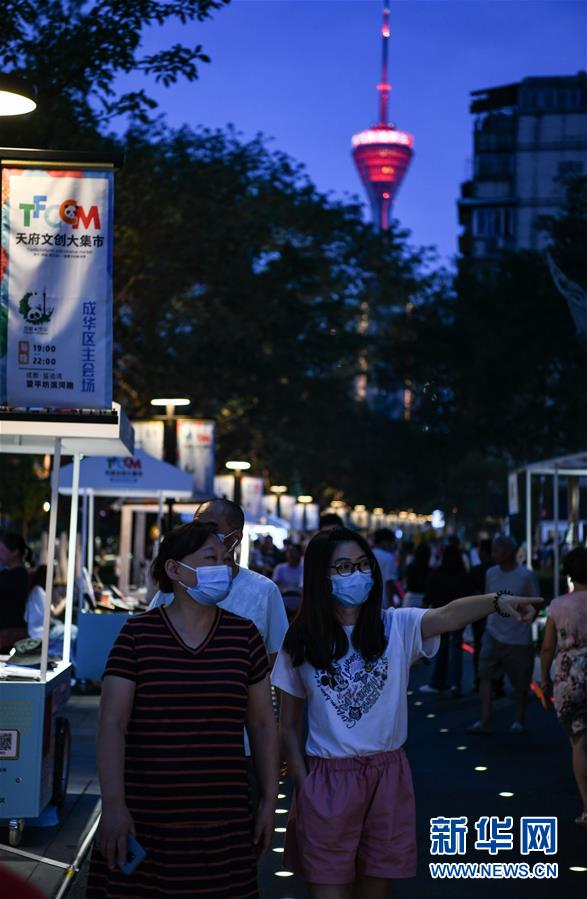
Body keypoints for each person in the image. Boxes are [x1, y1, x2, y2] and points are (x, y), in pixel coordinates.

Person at [273, 527, 542, 899]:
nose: (357, 574)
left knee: (377, 890)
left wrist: (499, 601)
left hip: (388, 776)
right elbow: (287, 725)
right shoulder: (302, 640)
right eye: (344, 567)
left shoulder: (394, 626)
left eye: (364, 565)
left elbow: (448, 615)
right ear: (321, 576)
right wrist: (306, 787)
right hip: (328, 779)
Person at [87, 520, 279, 899]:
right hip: (145, 819)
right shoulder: (137, 635)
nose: (223, 568)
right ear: (174, 569)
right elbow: (112, 723)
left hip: (223, 822)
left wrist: (268, 802)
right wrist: (113, 805)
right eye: (210, 558)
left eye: (226, 559)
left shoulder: (244, 636)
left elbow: (262, 723)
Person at [149, 499, 288, 666]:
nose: (201, 534)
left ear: (235, 538)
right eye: (196, 526)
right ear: (173, 569)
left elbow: (278, 661)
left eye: (211, 529)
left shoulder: (264, 592)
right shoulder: (177, 586)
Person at [468, 535, 540, 735]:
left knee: (520, 682)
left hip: (518, 637)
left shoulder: (525, 576)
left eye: (497, 550)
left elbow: (536, 602)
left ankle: (519, 720)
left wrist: (527, 619)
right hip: (492, 633)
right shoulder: (491, 573)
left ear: (509, 551)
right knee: (485, 675)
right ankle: (485, 719)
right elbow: (488, 599)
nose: (493, 554)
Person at [540, 546, 587, 827]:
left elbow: (548, 647)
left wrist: (544, 679)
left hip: (571, 679)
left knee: (579, 743)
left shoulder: (558, 605)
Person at [419, 544, 475, 696]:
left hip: (440, 615)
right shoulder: (463, 575)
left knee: (441, 647)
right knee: (457, 648)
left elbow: (428, 596)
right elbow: (470, 595)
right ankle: (455, 683)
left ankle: (439, 681)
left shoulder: (437, 574)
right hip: (460, 615)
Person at [0, 533, 32, 653]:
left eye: (2, 550)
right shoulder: (6, 574)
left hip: (10, 632)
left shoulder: (19, 575)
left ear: (15, 552)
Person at [469, 538, 494, 691]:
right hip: (495, 612)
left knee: (479, 647)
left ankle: (479, 680)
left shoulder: (476, 571)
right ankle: (497, 684)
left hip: (477, 613)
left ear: (483, 552)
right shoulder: (496, 569)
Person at [273, 544, 304, 619]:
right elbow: (275, 586)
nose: (292, 556)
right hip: (283, 602)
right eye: (290, 553)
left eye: (294, 553)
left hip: (300, 603)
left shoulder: (304, 568)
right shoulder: (280, 568)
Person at [371, 529, 398, 609]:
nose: (392, 544)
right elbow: (389, 582)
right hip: (383, 601)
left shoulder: (369, 554)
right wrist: (391, 604)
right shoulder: (389, 558)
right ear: (384, 542)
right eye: (391, 542)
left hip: (369, 600)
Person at [403, 542, 431, 609]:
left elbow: (406, 583)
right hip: (424, 600)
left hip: (410, 598)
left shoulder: (410, 567)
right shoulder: (430, 570)